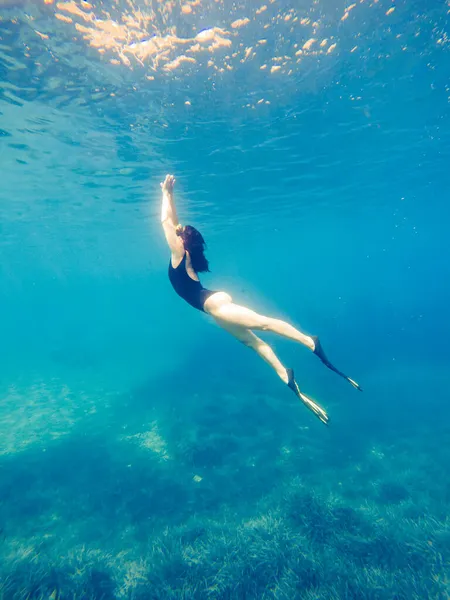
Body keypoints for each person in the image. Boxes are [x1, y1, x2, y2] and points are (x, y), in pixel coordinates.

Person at [160, 174, 361, 425]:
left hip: (214, 305)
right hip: (212, 306)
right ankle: (285, 375)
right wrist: (169, 196)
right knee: (252, 343)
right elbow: (174, 223)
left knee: (263, 324)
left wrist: (166, 194)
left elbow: (167, 221)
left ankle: (309, 341)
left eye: (179, 234)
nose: (176, 232)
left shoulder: (179, 252)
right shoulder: (182, 253)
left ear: (182, 242)